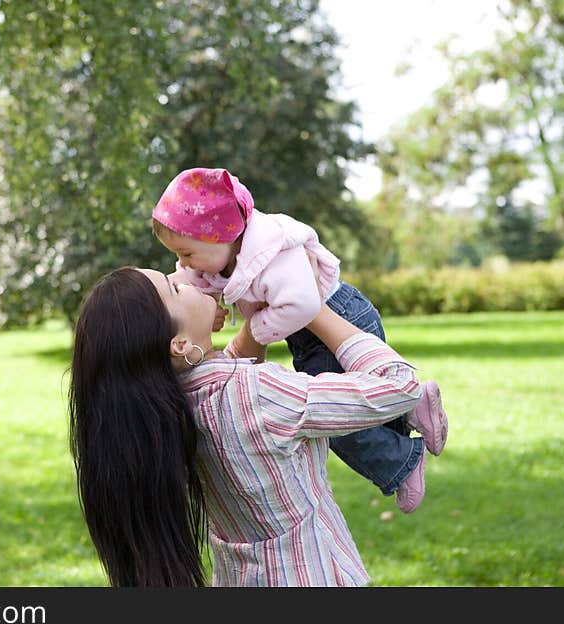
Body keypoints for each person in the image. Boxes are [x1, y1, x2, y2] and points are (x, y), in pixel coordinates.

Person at [68, 266, 425, 586]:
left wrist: (259, 318)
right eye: (173, 288)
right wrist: (314, 309)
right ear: (179, 344)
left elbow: (230, 375)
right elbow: (399, 386)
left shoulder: (169, 408)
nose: (184, 278)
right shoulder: (258, 394)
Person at [151, 167, 448, 513]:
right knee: (347, 402)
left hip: (339, 316)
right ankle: (415, 405)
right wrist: (201, 303)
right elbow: (186, 281)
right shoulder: (219, 256)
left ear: (223, 235)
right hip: (306, 334)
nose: (183, 265)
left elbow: (305, 305)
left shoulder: (272, 253)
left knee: (336, 421)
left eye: (187, 254)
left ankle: (401, 463)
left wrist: (256, 327)